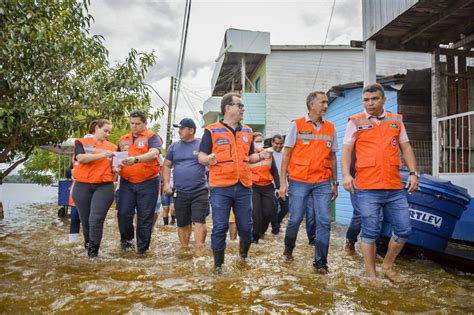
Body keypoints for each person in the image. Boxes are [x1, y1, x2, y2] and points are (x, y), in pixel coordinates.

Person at [341, 83, 419, 283]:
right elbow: (347, 151)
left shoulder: (395, 120)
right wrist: (346, 175)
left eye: (374, 99)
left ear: (383, 99)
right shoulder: (355, 122)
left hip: (394, 187)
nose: (370, 103)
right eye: (366, 100)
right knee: (370, 231)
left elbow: (406, 147)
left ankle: (387, 265)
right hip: (367, 187)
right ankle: (371, 275)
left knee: (404, 230)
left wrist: (413, 173)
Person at [198, 92, 271, 272]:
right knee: (220, 227)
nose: (242, 109)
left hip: (244, 186)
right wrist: (208, 159)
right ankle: (218, 267)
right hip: (220, 187)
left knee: (246, 227)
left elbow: (250, 156)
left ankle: (243, 257)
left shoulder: (247, 131)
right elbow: (201, 156)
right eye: (239, 105)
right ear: (228, 108)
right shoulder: (212, 130)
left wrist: (260, 155)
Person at [278, 91, 338, 275]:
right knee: (295, 219)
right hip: (299, 180)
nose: (326, 106)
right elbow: (286, 154)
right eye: (323, 102)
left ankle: (320, 263)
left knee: (324, 222)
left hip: (322, 182)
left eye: (327, 102)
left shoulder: (331, 128)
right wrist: (282, 183)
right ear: (311, 105)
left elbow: (333, 157)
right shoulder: (296, 125)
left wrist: (335, 182)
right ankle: (288, 252)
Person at [117, 110, 161, 255]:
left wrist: (136, 159)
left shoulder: (152, 137)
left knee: (145, 217)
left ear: (145, 123)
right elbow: (116, 159)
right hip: (126, 182)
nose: (134, 126)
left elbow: (154, 153)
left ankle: (142, 251)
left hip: (148, 182)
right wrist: (115, 168)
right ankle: (126, 245)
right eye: (132, 123)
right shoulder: (123, 139)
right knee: (123, 214)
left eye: (138, 124)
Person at [72, 119, 116, 257]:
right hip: (82, 185)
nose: (107, 134)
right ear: (96, 128)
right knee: (85, 221)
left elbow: (116, 165)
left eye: (109, 132)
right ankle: (88, 248)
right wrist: (102, 155)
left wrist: (117, 167)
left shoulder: (113, 147)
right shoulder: (80, 142)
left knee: (95, 219)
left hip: (104, 185)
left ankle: (93, 254)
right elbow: (80, 158)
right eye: (105, 131)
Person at [163, 118, 209, 248]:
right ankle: (184, 249)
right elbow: (166, 166)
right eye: (179, 128)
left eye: (182, 128)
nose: (179, 131)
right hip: (180, 191)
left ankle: (199, 250)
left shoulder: (202, 145)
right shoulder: (174, 146)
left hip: (200, 190)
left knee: (200, 221)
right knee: (182, 223)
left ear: (191, 130)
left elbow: (211, 163)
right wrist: (166, 184)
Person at [250, 133, 280, 243]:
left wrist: (278, 187)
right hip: (254, 186)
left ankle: (261, 232)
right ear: (252, 142)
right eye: (257, 141)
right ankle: (255, 237)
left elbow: (274, 171)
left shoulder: (268, 153)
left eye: (261, 141)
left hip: (267, 186)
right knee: (256, 214)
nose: (260, 143)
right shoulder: (249, 154)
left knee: (270, 212)